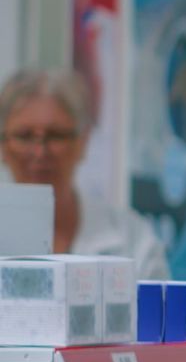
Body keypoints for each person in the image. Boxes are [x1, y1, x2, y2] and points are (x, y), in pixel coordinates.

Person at [0, 68, 169, 278]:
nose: (40, 152)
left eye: (55, 135)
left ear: (83, 141)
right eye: (25, 136)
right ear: (3, 145)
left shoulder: (134, 241)